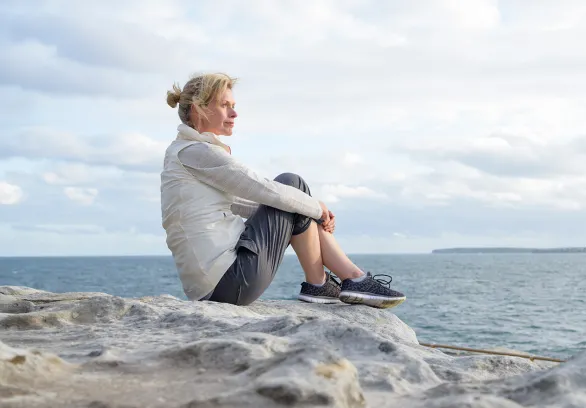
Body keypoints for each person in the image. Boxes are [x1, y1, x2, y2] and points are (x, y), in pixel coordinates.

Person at [161, 72, 405, 308]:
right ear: (197, 108)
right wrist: (316, 209)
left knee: (293, 198)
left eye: (233, 105)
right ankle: (349, 279)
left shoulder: (184, 153)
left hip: (216, 286)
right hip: (228, 282)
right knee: (291, 184)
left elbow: (241, 203)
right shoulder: (196, 152)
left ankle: (329, 283)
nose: (234, 113)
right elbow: (264, 189)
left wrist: (306, 209)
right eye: (225, 105)